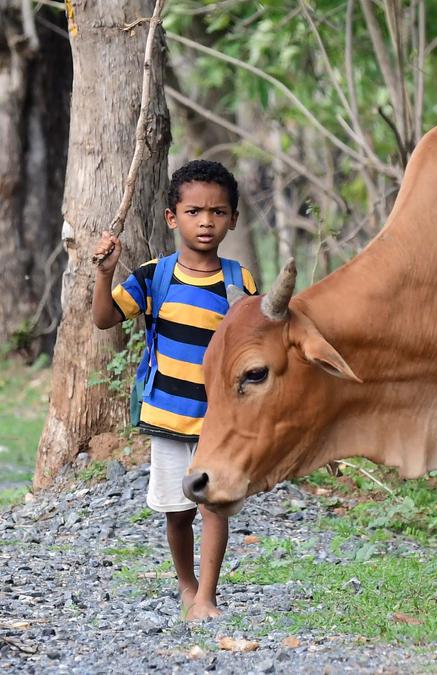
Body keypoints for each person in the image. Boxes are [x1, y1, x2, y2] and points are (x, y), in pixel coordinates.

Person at [91, 160, 256, 620]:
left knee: (215, 509)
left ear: (233, 219)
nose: (206, 221)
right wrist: (104, 274)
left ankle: (207, 597)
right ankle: (187, 586)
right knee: (177, 512)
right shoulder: (153, 276)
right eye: (194, 212)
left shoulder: (239, 283)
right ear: (172, 217)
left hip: (218, 424)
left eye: (218, 213)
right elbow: (104, 318)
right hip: (167, 416)